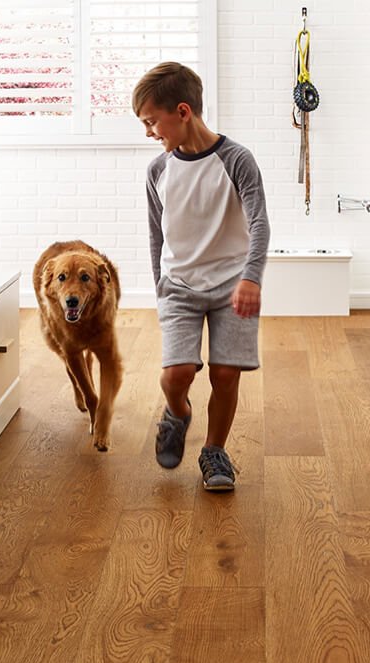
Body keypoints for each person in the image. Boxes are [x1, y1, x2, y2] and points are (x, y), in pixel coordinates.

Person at [132, 62, 270, 492]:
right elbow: (158, 233)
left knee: (226, 375)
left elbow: (260, 223)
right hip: (179, 288)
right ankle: (178, 412)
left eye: (152, 121)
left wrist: (252, 277)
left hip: (233, 285)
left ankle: (214, 451)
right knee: (176, 375)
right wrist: (159, 287)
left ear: (184, 111)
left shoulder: (236, 160)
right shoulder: (159, 171)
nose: (150, 132)